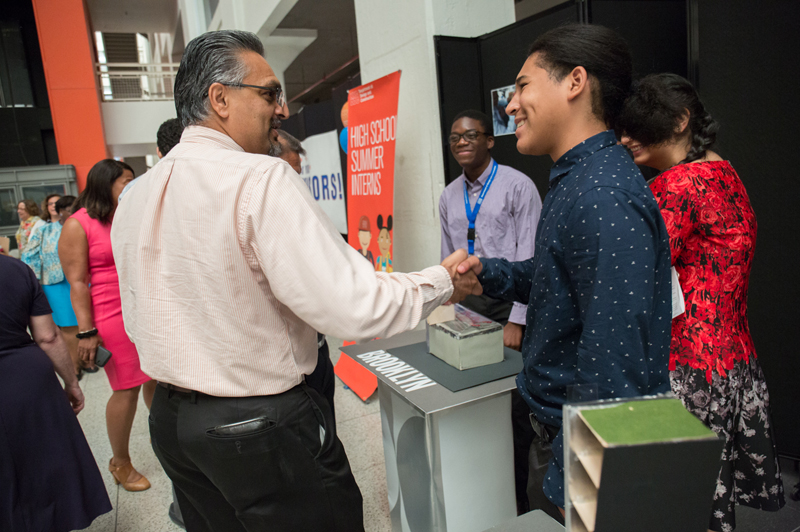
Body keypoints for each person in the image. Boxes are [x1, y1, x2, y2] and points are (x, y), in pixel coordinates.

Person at [110, 30, 478, 532]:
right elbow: (355, 305)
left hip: (174, 424)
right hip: (258, 430)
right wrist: (440, 282)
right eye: (268, 94)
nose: (280, 110)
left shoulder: (136, 195)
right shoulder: (258, 180)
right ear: (219, 98)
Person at [456, 24, 672, 522]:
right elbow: (558, 283)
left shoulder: (602, 198)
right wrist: (486, 273)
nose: (509, 106)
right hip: (559, 444)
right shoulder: (579, 179)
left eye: (523, 86)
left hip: (575, 457)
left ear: (574, 81)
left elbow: (614, 367)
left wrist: (571, 486)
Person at [617, 73, 785, 532]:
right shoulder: (728, 174)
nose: (625, 138)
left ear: (679, 121)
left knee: (681, 506)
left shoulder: (677, 185)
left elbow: (634, 271)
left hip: (688, 370)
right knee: (710, 502)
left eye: (637, 126)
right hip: (734, 364)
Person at [440, 108, 542, 513]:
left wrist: (517, 319)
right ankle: (489, 494)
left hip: (509, 304)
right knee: (478, 398)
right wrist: (447, 303)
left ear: (489, 140)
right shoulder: (449, 194)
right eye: (454, 138)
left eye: (470, 135)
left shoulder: (518, 187)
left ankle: (522, 504)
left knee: (516, 409)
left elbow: (528, 257)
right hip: (470, 303)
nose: (461, 143)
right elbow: (447, 253)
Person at [59, 159, 156, 492]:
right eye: (125, 181)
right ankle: (120, 461)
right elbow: (76, 283)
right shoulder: (78, 224)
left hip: (143, 305)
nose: (131, 186)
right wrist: (86, 332)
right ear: (105, 183)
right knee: (126, 387)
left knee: (157, 378)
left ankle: (169, 445)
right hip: (110, 312)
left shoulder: (128, 214)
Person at [0, 254, 112, 531]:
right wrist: (71, 383)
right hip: (26, 380)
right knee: (43, 463)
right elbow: (47, 336)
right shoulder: (17, 270)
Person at [274, 128, 337, 417]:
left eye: (299, 174)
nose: (296, 183)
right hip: (286, 369)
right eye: (291, 174)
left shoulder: (301, 211)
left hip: (317, 349)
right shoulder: (259, 220)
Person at [21, 195, 82, 378]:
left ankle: (85, 360)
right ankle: (73, 366)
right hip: (55, 284)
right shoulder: (44, 230)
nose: (55, 206)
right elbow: (28, 255)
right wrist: (35, 282)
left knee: (83, 324)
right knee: (69, 327)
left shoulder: (81, 227)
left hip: (81, 280)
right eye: (51, 203)